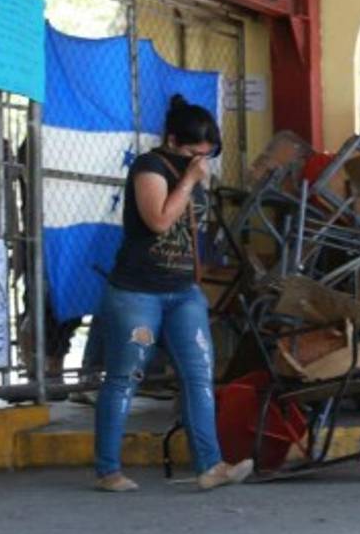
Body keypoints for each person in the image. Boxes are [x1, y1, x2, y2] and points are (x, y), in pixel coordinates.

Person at [93, 95, 252, 492]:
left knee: (198, 376)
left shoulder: (192, 174)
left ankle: (211, 465)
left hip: (183, 291)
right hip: (137, 292)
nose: (198, 162)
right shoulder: (149, 167)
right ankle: (108, 469)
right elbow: (160, 220)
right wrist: (189, 180)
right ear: (171, 141)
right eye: (193, 153)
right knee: (124, 377)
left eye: (205, 155)